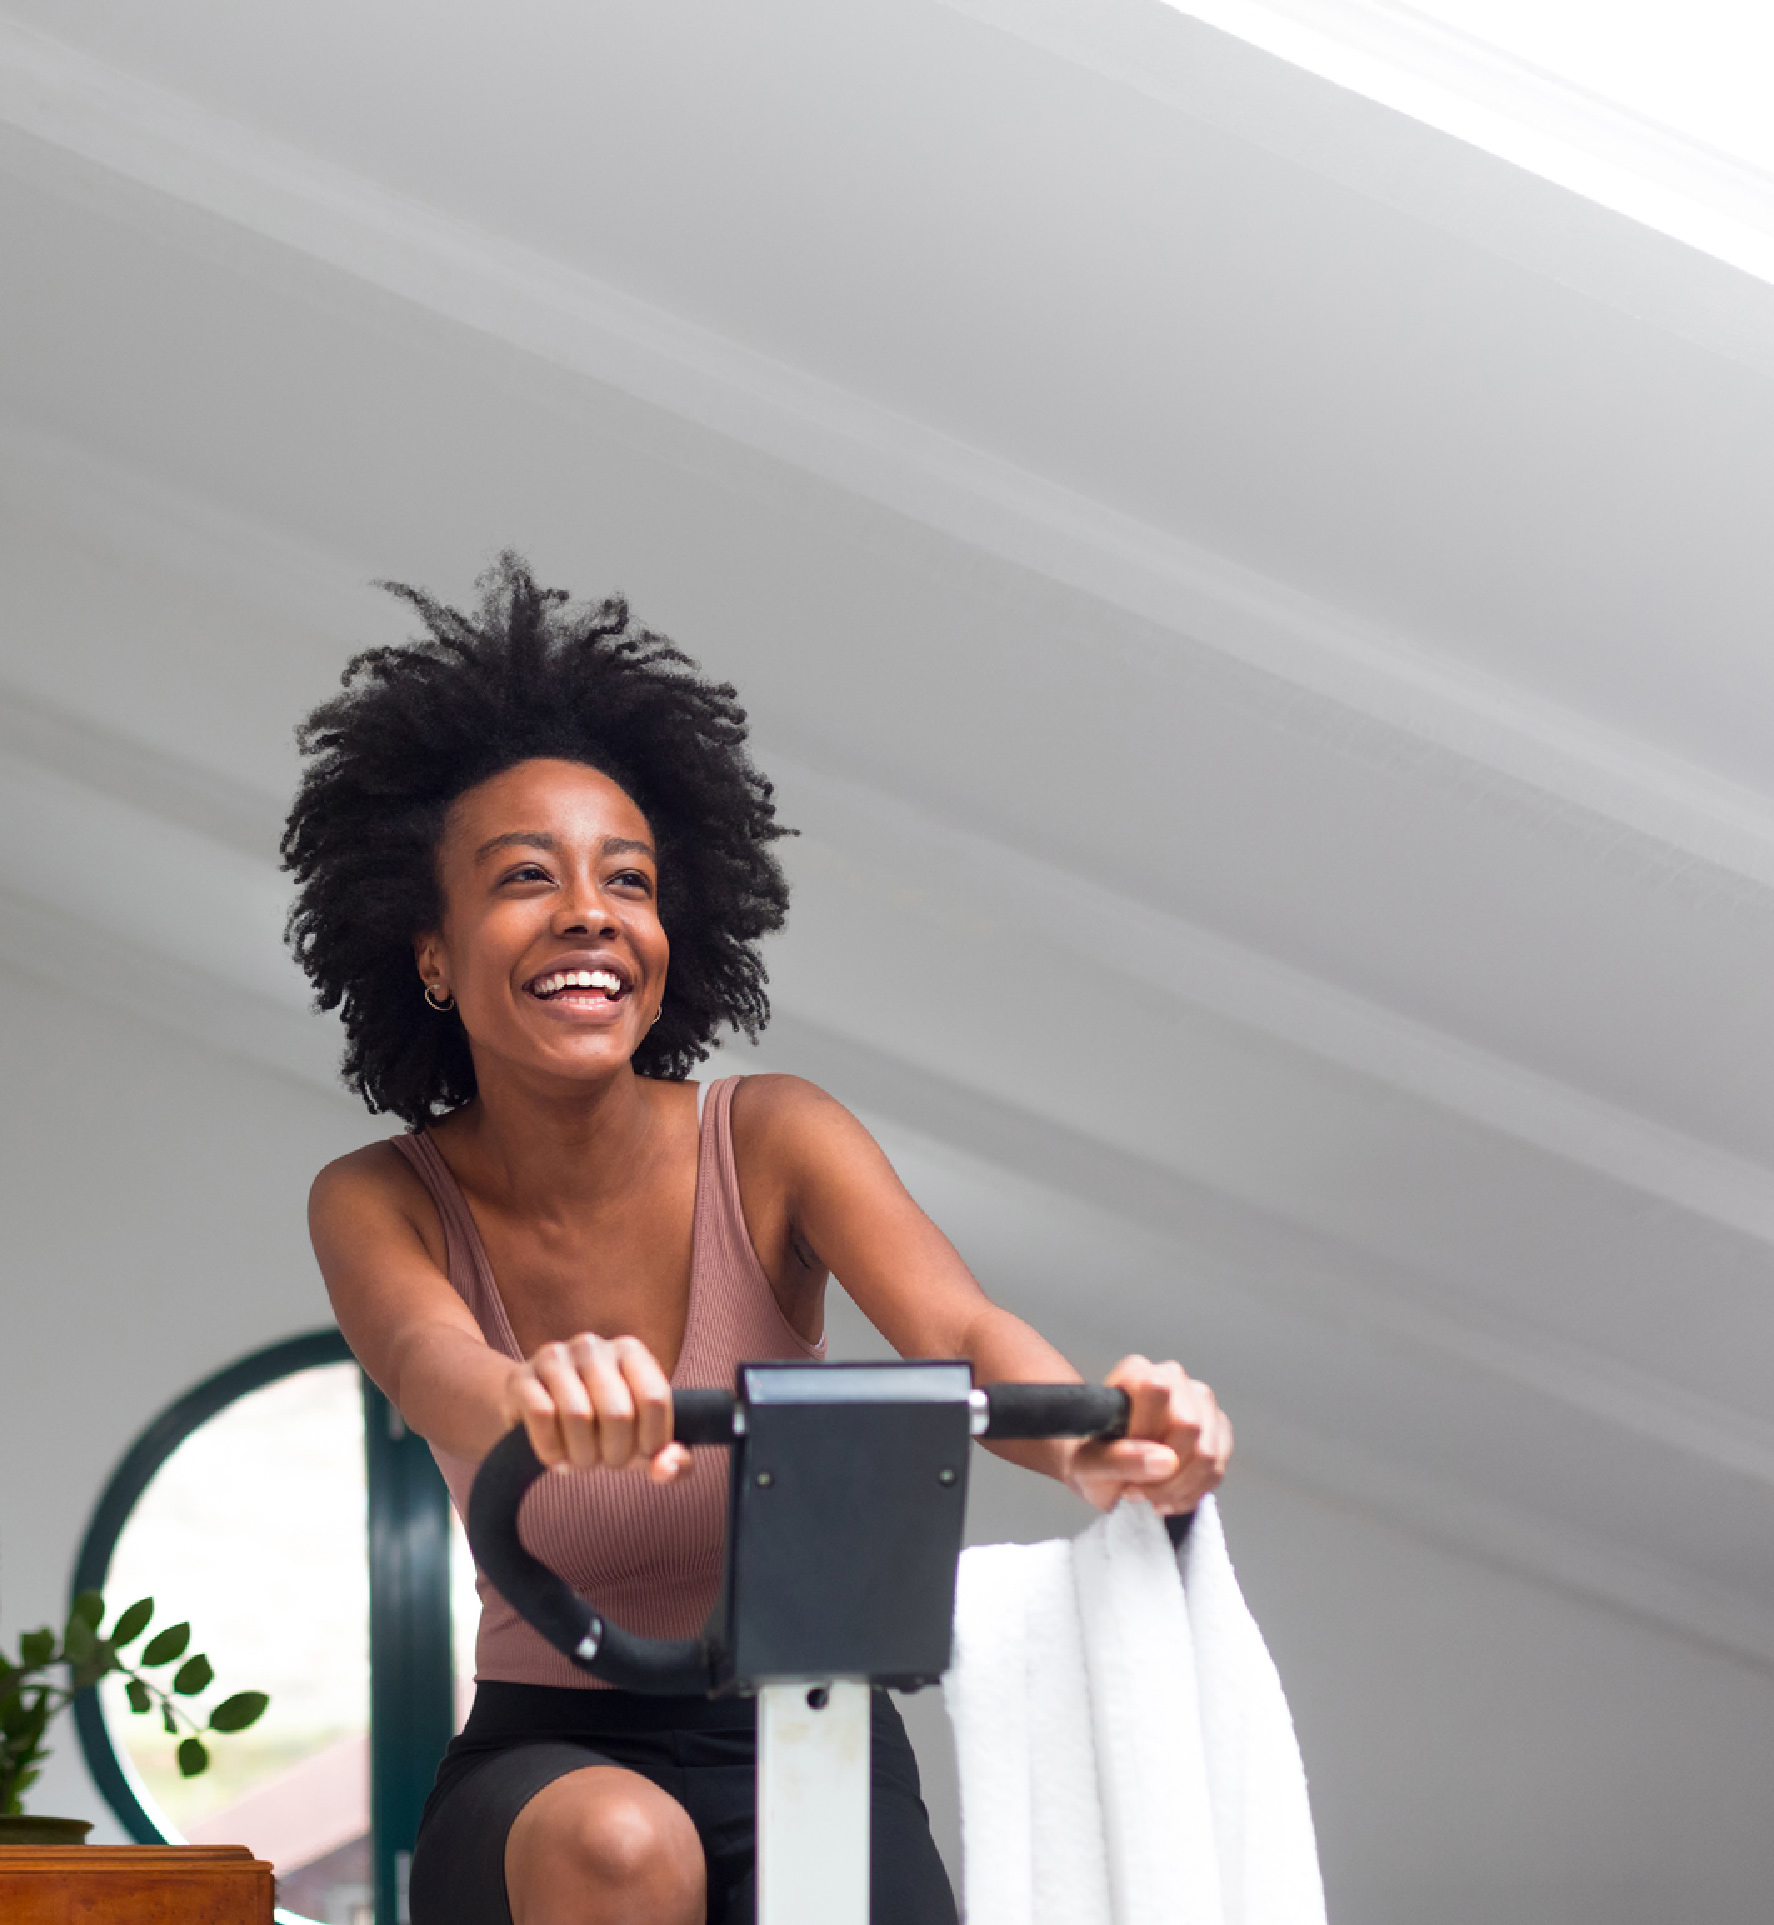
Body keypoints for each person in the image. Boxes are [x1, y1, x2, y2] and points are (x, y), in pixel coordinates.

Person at [291, 557, 1232, 1925]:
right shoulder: (376, 1193)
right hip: (549, 1765)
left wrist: (1097, 1438)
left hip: (808, 1733)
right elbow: (432, 1363)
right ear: (427, 950)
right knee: (623, 1845)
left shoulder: (775, 1136)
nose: (590, 913)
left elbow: (959, 1333)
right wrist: (539, 1397)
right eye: (523, 879)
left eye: (628, 878)